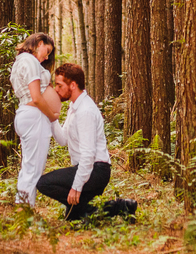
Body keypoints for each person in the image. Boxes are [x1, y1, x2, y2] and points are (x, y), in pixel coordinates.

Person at [36, 63, 136, 221]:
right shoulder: (75, 107)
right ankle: (122, 206)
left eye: (59, 85)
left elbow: (88, 154)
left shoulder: (85, 111)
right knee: (73, 217)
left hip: (97, 171)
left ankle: (93, 209)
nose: (56, 89)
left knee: (44, 183)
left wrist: (76, 187)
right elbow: (63, 140)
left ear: (73, 85)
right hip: (87, 169)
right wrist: (52, 118)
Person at [10, 32, 61, 207]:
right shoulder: (29, 61)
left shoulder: (21, 62)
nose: (47, 56)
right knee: (33, 169)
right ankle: (25, 211)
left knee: (29, 166)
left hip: (28, 115)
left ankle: (23, 207)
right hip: (35, 117)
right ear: (39, 43)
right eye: (47, 51)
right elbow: (37, 97)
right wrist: (52, 115)